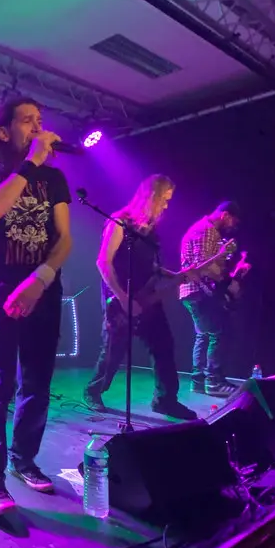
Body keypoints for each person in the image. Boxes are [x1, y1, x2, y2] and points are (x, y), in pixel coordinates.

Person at [0, 96, 73, 516]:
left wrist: (39, 280)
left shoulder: (55, 179)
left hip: (43, 289)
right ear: (4, 131)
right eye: (27, 120)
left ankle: (23, 458)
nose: (37, 127)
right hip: (0, 289)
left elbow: (64, 239)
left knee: (37, 381)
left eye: (40, 120)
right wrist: (29, 164)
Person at [83, 175, 209, 420]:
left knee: (163, 345)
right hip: (119, 297)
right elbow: (103, 261)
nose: (166, 206)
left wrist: (175, 275)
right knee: (113, 351)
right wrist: (122, 297)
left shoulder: (149, 231)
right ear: (151, 196)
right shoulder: (119, 222)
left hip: (147, 297)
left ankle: (165, 400)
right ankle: (93, 391)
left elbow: (149, 266)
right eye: (164, 199)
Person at [179, 201, 246, 396]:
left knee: (204, 335)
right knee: (218, 333)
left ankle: (198, 381)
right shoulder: (207, 230)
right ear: (225, 215)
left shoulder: (205, 229)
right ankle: (214, 382)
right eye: (233, 221)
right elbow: (204, 267)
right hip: (199, 290)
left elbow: (208, 263)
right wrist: (228, 279)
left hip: (193, 290)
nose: (233, 226)